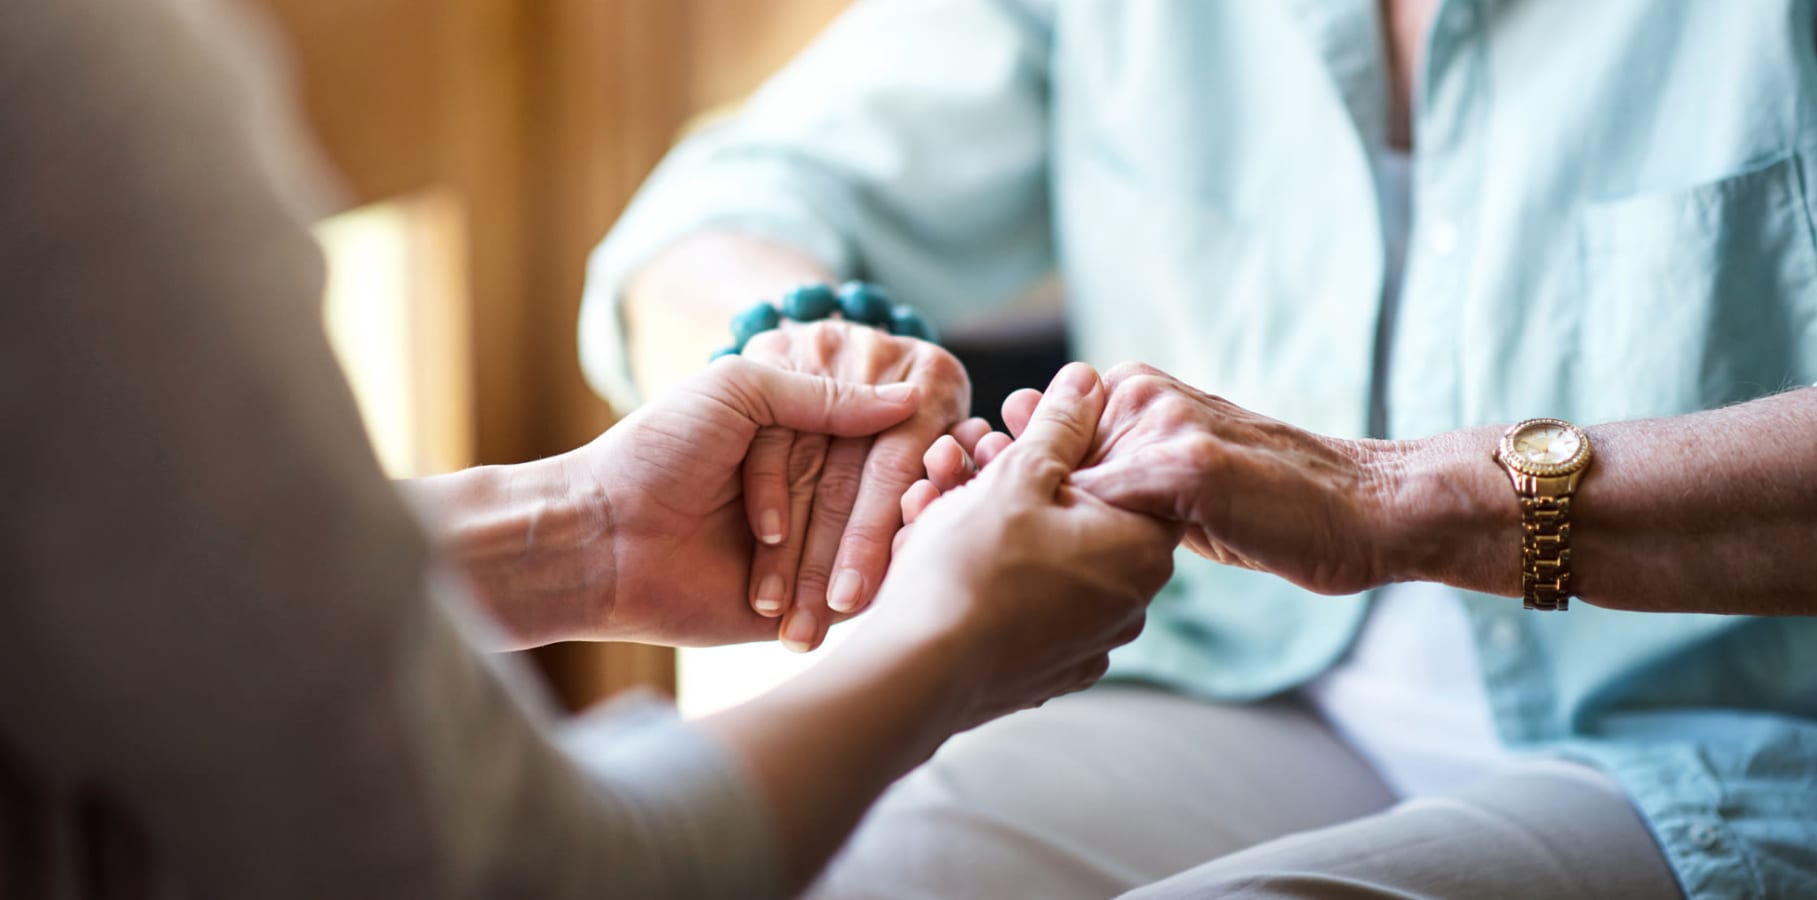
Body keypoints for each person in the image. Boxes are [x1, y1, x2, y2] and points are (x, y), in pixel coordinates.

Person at [585, 1, 1817, 897]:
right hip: (1239, 690)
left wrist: (1404, 501)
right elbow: (719, 209)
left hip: (1756, 747)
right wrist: (809, 349)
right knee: (860, 860)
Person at [0, 2, 1179, 897]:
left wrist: (580, 529)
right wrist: (942, 647)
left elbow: (136, 593)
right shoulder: (81, 78)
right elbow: (497, 869)